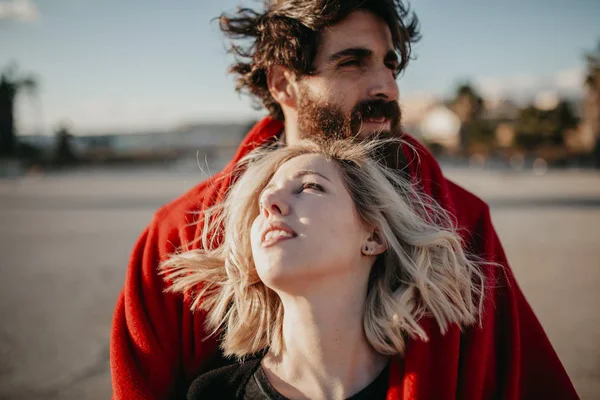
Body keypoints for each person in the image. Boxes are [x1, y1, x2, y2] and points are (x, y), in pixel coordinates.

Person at [110, 0, 578, 398]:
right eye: (353, 62)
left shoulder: (458, 220)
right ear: (282, 83)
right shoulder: (181, 235)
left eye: (389, 64)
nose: (386, 87)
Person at [162, 138, 487, 399]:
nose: (269, 201)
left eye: (309, 186)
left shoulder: (443, 386)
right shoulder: (214, 394)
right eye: (265, 192)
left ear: (373, 235)